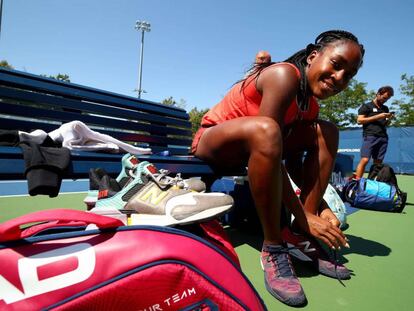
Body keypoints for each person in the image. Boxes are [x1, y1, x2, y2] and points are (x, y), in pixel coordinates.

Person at [192, 30, 364, 306]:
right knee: (267, 129)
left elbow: (292, 160)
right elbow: (270, 139)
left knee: (327, 131)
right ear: (313, 57)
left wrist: (318, 208)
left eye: (350, 74)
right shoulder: (284, 75)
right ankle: (273, 246)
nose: (340, 78)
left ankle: (297, 233)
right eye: (336, 64)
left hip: (258, 150)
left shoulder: (309, 105)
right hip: (215, 144)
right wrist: (302, 212)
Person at [355, 86, 394, 178]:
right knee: (365, 160)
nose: (385, 100)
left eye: (387, 99)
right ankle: (356, 183)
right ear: (378, 94)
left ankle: (371, 183)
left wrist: (389, 119)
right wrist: (378, 116)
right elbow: (359, 121)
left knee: (378, 163)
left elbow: (385, 123)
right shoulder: (367, 106)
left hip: (383, 137)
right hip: (370, 136)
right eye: (384, 98)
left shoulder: (385, 108)